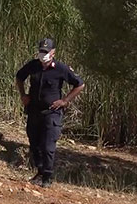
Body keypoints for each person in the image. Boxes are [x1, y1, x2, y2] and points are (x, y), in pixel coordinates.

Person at [15, 38, 85, 188]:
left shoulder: (60, 68)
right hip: (34, 111)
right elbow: (19, 77)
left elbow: (79, 84)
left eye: (46, 52)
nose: (43, 54)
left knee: (48, 145)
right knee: (34, 144)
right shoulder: (33, 66)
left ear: (53, 53)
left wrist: (65, 100)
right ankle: (39, 172)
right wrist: (23, 95)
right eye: (41, 51)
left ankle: (47, 175)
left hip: (52, 113)